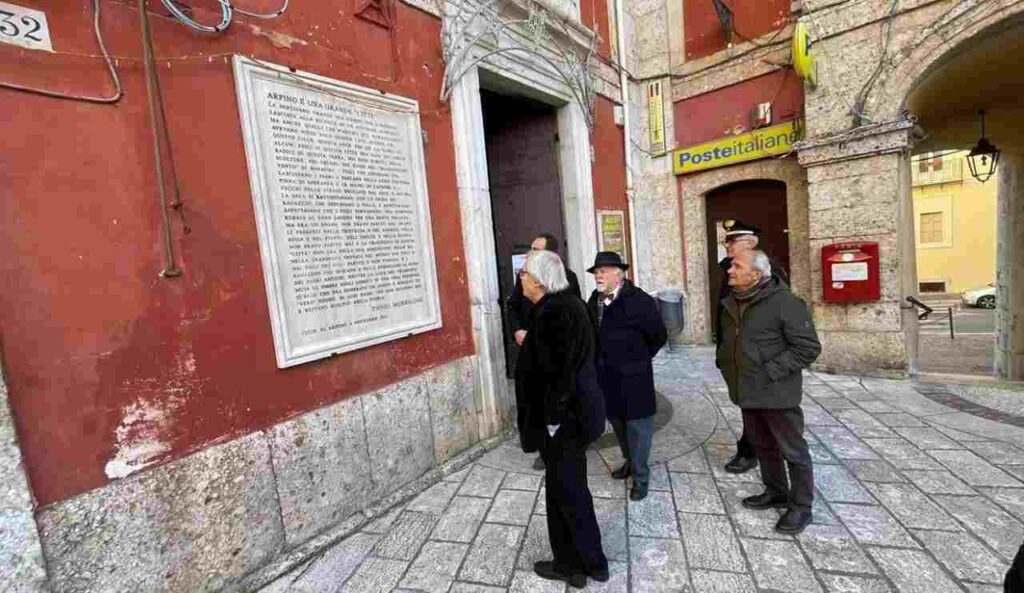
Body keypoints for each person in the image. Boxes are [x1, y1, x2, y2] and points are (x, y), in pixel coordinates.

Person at [516, 250, 609, 588]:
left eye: (524, 273)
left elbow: (559, 374)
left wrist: (553, 422)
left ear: (539, 281)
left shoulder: (555, 312)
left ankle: (580, 564)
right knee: (568, 489)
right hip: (576, 415)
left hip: (566, 421)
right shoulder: (564, 305)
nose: (520, 279)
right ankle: (582, 562)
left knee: (566, 492)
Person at [717, 249, 821, 534]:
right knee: (763, 446)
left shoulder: (785, 303)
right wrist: (725, 365)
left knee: (793, 451)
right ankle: (776, 491)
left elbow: (808, 348)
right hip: (747, 391)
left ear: (756, 273)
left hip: (777, 393)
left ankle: (801, 506)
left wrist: (770, 372)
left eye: (736, 266)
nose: (729, 271)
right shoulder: (732, 303)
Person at [586, 251, 667, 501]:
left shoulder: (638, 300)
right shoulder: (595, 299)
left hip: (634, 377)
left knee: (638, 429)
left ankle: (641, 478)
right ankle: (630, 464)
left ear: (619, 274)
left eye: (604, 270)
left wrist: (638, 358)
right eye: (596, 271)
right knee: (619, 425)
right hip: (607, 376)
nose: (598, 275)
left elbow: (658, 335)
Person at [716, 219, 789, 475]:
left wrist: (769, 363)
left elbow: (776, 317)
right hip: (735, 351)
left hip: (757, 356)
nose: (727, 245)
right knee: (747, 403)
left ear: (751, 242)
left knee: (757, 407)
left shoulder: (768, 269)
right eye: (727, 240)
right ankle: (758, 450)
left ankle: (751, 452)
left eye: (732, 240)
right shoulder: (727, 268)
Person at [509, 233, 582, 471]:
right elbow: (513, 304)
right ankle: (546, 445)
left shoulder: (562, 304)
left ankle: (555, 442)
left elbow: (560, 374)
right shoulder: (526, 277)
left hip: (548, 355)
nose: (530, 253)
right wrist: (518, 329)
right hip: (529, 343)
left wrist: (554, 420)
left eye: (536, 249)